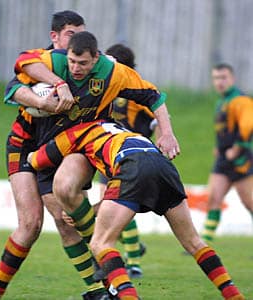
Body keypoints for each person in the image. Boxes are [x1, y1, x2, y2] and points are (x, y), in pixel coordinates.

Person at [22, 31, 243, 300]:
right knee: (194, 242)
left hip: (130, 167)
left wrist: (41, 115)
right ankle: (234, 295)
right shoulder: (122, 128)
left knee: (101, 243)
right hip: (160, 163)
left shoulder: (78, 132)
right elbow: (130, 198)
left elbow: (37, 159)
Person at [0, 11, 109, 300]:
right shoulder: (41, 62)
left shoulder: (88, 67)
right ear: (55, 37)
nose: (75, 41)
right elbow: (12, 88)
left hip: (61, 150)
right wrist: (41, 101)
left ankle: (98, 289)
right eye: (70, 34)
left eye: (80, 34)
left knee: (65, 219)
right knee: (30, 224)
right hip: (24, 145)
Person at [99, 43, 160, 278]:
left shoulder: (134, 90)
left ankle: (133, 261)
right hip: (107, 155)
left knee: (120, 205)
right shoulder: (106, 88)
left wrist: (157, 132)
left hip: (131, 157)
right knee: (109, 206)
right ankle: (134, 247)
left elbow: (157, 114)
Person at [201, 63, 253, 242]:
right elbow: (225, 129)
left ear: (232, 79)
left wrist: (237, 148)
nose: (220, 82)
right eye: (216, 78)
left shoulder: (241, 100)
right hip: (223, 158)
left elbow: (248, 125)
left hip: (241, 158)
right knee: (213, 198)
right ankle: (204, 244)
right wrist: (219, 147)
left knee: (250, 202)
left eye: (223, 78)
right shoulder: (222, 101)